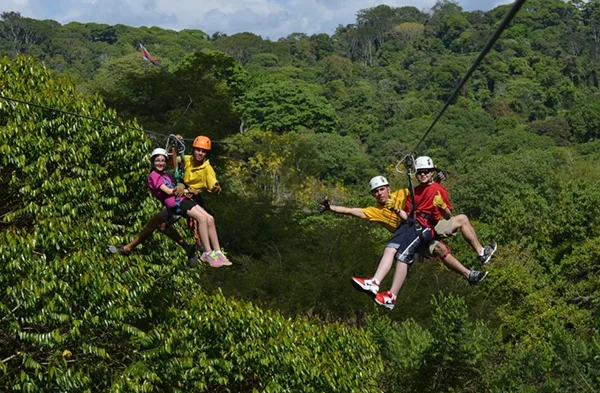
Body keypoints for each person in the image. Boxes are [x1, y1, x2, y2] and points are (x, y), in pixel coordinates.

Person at [321, 157, 494, 310]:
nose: (380, 193)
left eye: (382, 189)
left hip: (422, 225)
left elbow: (425, 195)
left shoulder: (403, 193)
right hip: (409, 232)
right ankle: (469, 274)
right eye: (376, 191)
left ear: (388, 189)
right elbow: (353, 211)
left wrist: (437, 183)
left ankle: (481, 253)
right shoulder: (375, 211)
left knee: (461, 219)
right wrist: (332, 208)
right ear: (373, 195)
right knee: (438, 249)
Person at [107, 147, 230, 268]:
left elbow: (176, 167)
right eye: (157, 161)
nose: (160, 163)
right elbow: (169, 188)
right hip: (175, 203)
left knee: (160, 223)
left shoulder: (166, 175)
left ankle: (128, 248)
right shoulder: (155, 176)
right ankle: (200, 250)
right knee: (160, 223)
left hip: (179, 201)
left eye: (162, 161)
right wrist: (185, 189)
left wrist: (191, 187)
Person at [177, 135, 231, 266]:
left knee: (210, 219)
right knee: (203, 219)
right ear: (193, 149)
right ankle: (206, 252)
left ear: (206, 154)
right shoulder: (186, 160)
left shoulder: (207, 168)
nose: (200, 153)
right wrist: (175, 145)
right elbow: (169, 160)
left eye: (203, 151)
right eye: (198, 150)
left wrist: (215, 187)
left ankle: (217, 252)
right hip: (182, 196)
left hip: (192, 198)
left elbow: (212, 180)